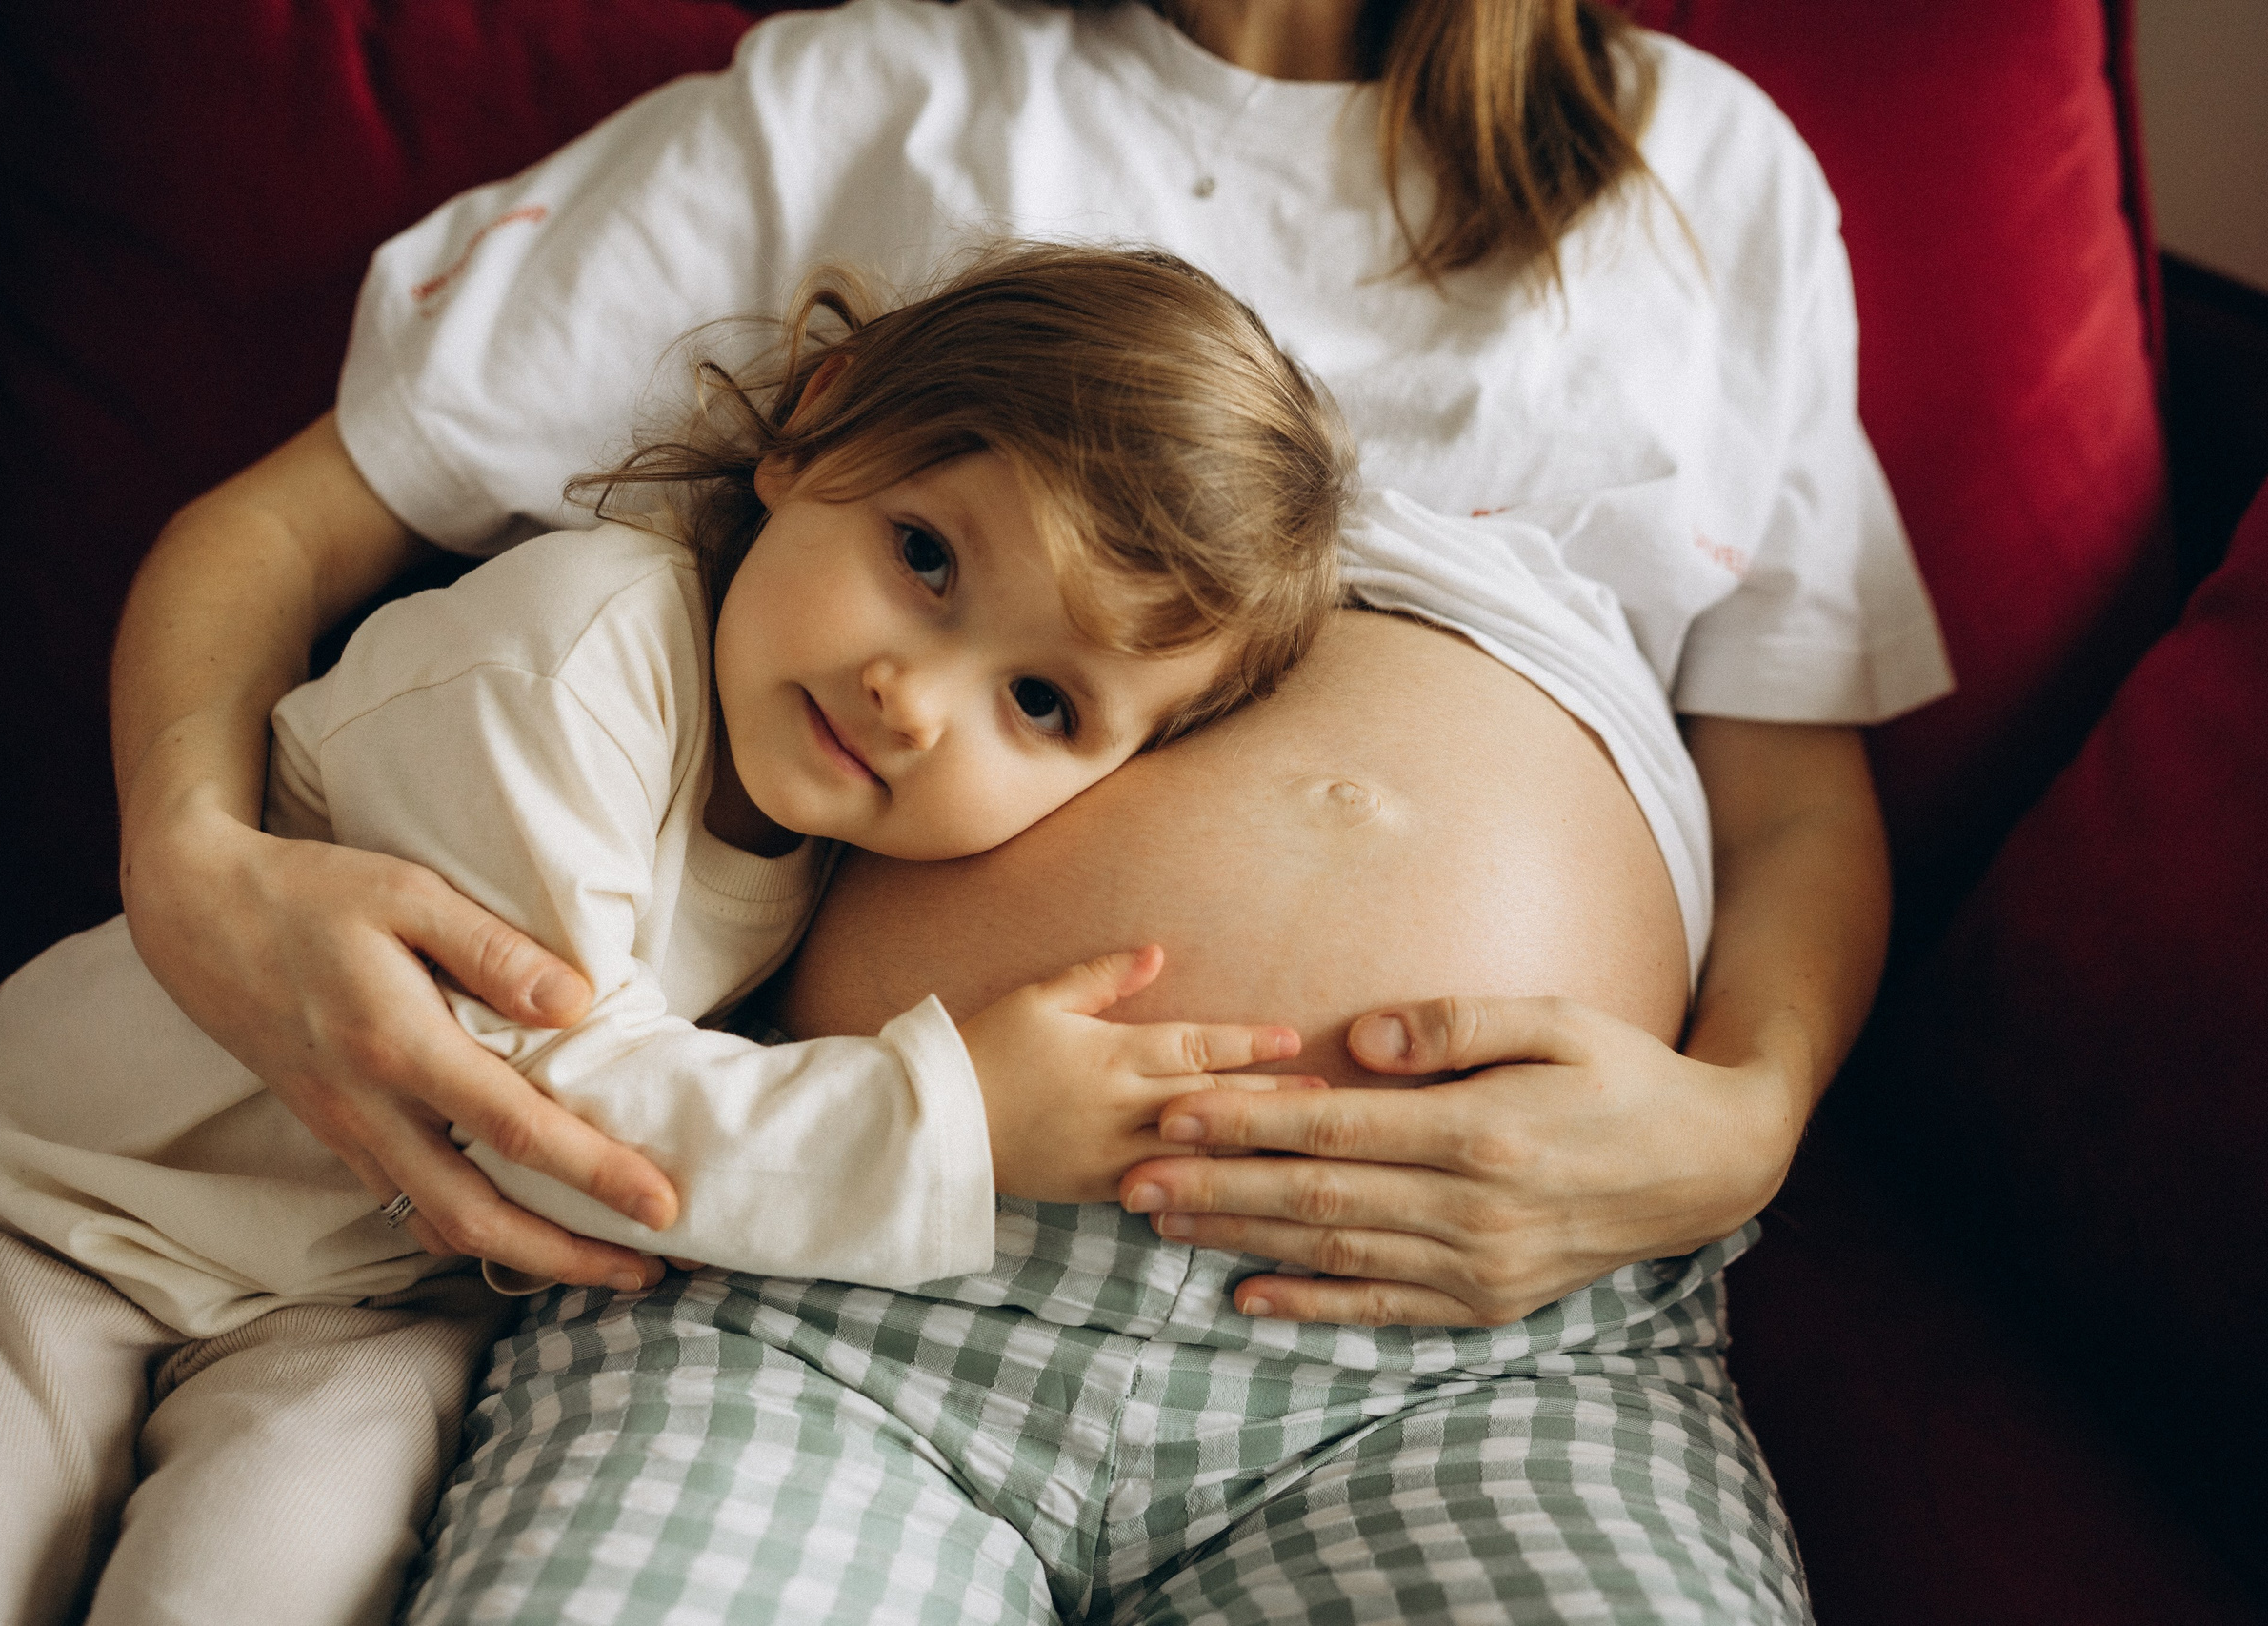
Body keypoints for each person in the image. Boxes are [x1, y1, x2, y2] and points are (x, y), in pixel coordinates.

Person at [108, 1, 1952, 1620]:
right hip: (821, 1259)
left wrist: (1747, 1112)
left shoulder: (1707, 173)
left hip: (1478, 1325)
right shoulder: (867, 94)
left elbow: (1791, 793)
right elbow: (281, 525)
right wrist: (197, 857)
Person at [0, 245, 1354, 1626]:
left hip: (369, 1304)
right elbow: (541, 1105)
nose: (914, 694)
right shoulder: (573, 659)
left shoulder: (840, 832)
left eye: (1041, 703)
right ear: (812, 428)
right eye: (928, 557)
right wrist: (956, 1118)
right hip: (81, 1205)